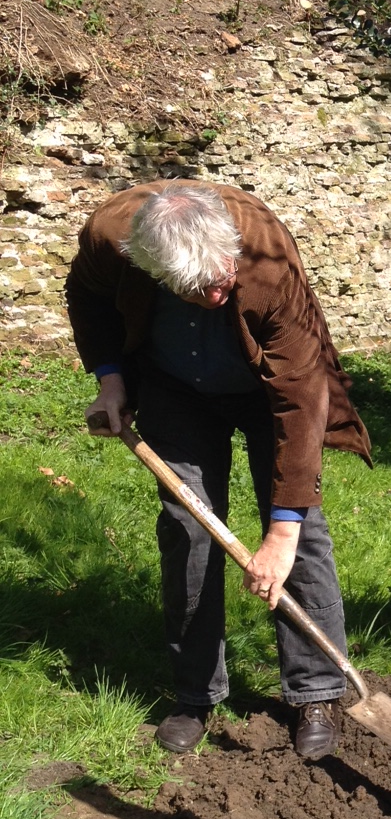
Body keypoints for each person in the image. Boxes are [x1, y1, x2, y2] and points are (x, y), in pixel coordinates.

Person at [66, 180, 372, 758]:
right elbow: (85, 297)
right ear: (150, 270)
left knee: (300, 536)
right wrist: (110, 379)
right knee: (189, 529)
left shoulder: (268, 260)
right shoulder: (110, 239)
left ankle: (317, 690)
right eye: (193, 289)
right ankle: (196, 694)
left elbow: (300, 398)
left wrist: (281, 531)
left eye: (220, 281)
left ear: (232, 250)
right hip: (173, 386)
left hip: (267, 389)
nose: (212, 295)